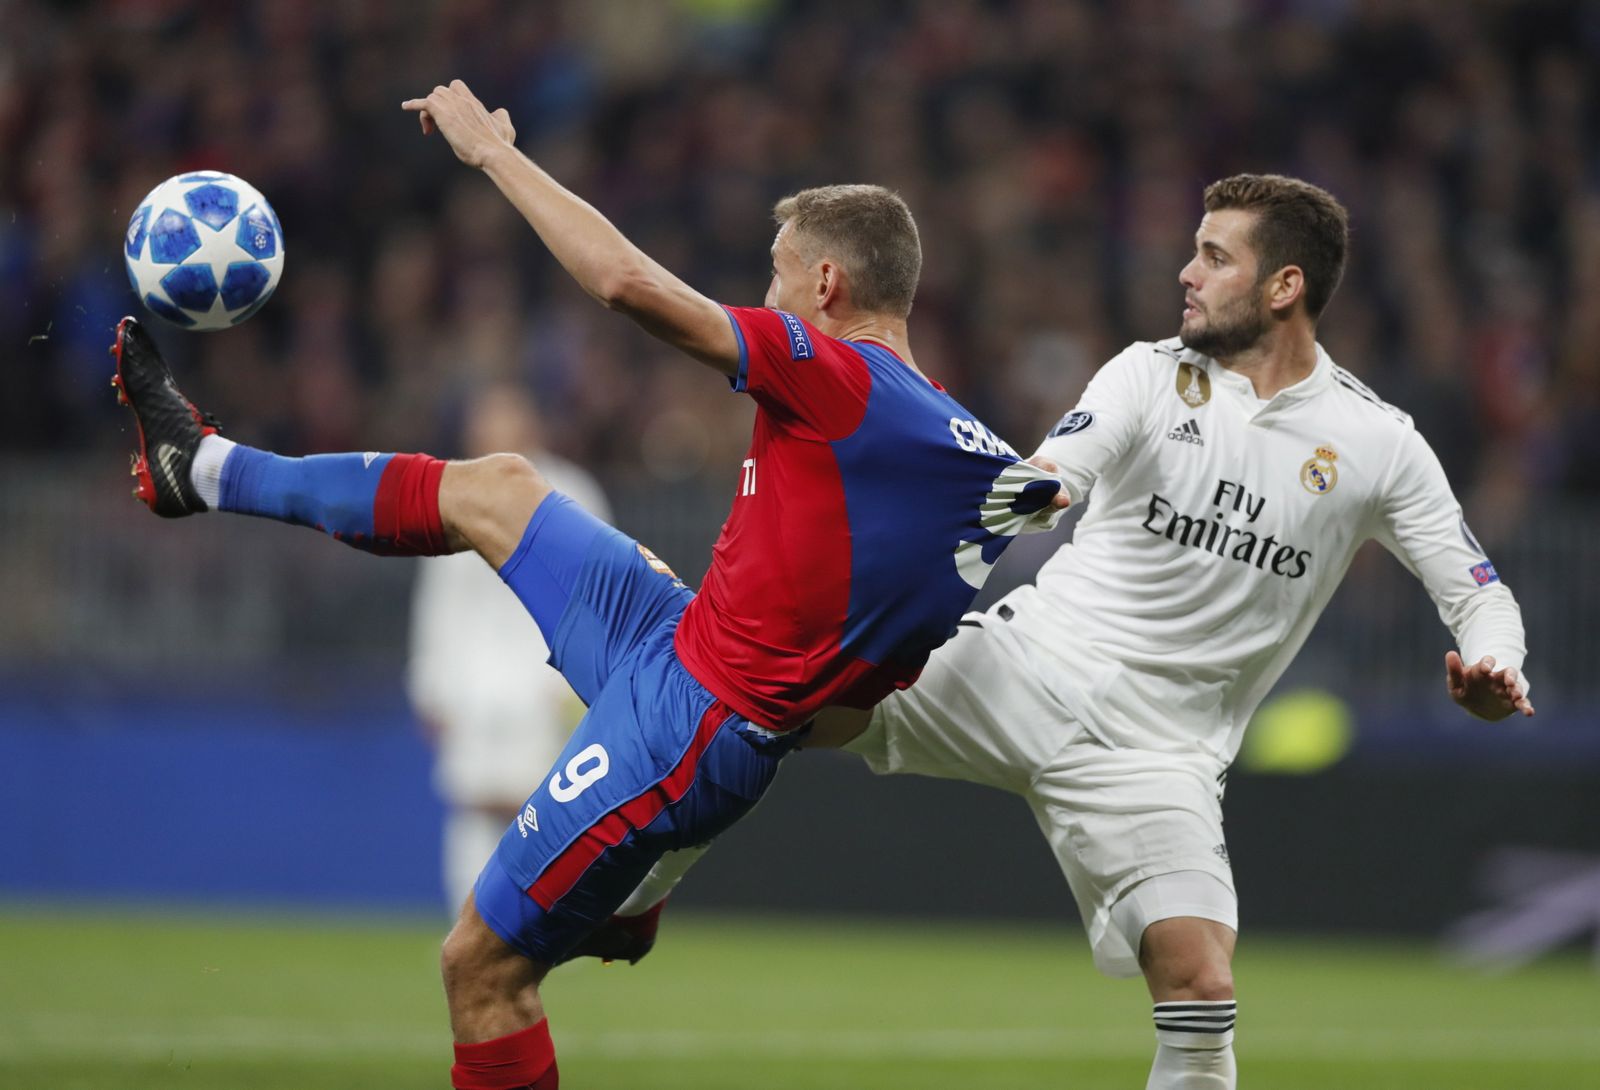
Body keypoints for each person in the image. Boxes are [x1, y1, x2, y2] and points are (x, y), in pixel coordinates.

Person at [110, 78, 1067, 1090]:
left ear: (827, 282)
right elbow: (877, 664)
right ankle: (202, 468)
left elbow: (623, 283)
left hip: (690, 719)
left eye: (778, 273)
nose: (769, 294)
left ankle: (638, 874)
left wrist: (492, 154)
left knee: (479, 970)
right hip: (681, 643)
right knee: (500, 490)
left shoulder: (835, 373)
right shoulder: (965, 451)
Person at [611, 174, 1536, 1090]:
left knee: (1202, 989)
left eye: (1215, 257)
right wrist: (1013, 488)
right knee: (772, 698)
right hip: (1022, 668)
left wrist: (1497, 664)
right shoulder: (1148, 374)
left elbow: (1479, 592)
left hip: (1158, 755)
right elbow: (1054, 474)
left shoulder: (1377, 442)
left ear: (1284, 286)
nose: (1187, 273)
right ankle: (642, 889)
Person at [408, 383, 611, 915]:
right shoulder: (451, 491)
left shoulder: (573, 493)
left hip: (542, 683)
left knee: (542, 811)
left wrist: (580, 683)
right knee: (473, 807)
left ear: (531, 426)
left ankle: (539, 929)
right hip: (473, 687)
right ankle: (467, 929)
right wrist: (431, 686)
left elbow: (598, 596)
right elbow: (439, 601)